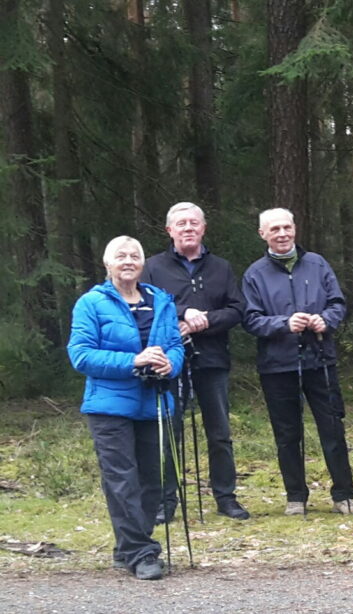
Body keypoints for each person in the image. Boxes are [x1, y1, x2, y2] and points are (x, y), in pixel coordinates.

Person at [68, 236, 184, 580]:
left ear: (143, 263)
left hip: (154, 401)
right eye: (121, 255)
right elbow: (81, 355)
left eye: (135, 255)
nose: (129, 260)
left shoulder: (161, 301)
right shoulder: (91, 303)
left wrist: (170, 365)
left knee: (152, 480)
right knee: (122, 481)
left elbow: (175, 344)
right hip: (109, 406)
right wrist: (134, 360)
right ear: (108, 264)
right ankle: (142, 553)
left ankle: (126, 548)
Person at [242, 208, 353, 516]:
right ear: (262, 234)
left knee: (332, 429)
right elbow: (251, 319)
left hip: (320, 360)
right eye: (274, 229)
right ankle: (296, 497)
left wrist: (326, 321)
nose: (282, 234)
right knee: (287, 434)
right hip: (277, 365)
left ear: (295, 228)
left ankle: (344, 495)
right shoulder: (255, 273)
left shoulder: (317, 264)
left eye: (286, 227)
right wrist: (284, 323)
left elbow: (337, 303)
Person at [143, 202, 249, 522]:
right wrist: (181, 313)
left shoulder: (221, 267)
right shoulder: (152, 267)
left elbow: (237, 309)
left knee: (219, 432)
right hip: (169, 362)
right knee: (169, 432)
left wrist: (207, 320)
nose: (188, 228)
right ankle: (166, 502)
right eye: (181, 224)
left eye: (194, 223)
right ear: (169, 230)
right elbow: (145, 306)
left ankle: (226, 497)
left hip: (213, 359)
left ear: (203, 228)